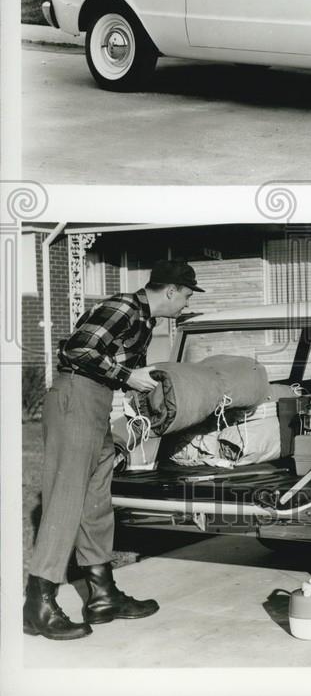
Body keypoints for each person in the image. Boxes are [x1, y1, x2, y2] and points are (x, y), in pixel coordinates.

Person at [23, 260, 205, 640]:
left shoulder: (145, 321)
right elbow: (78, 349)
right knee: (65, 500)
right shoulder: (123, 306)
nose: (185, 305)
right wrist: (128, 376)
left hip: (98, 403)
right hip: (76, 399)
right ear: (170, 290)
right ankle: (38, 604)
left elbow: (112, 366)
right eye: (186, 296)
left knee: (96, 503)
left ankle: (103, 595)